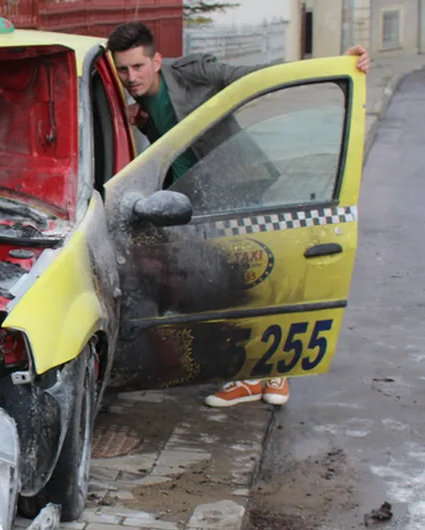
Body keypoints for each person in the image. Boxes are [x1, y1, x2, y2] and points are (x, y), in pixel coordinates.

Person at [106, 22, 369, 409]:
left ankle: (250, 376)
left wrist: (341, 63)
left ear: (157, 61)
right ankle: (271, 374)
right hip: (194, 200)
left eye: (138, 67)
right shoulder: (138, 101)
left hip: (236, 186)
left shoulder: (192, 72)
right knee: (227, 281)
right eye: (123, 70)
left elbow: (256, 79)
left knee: (238, 278)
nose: (131, 77)